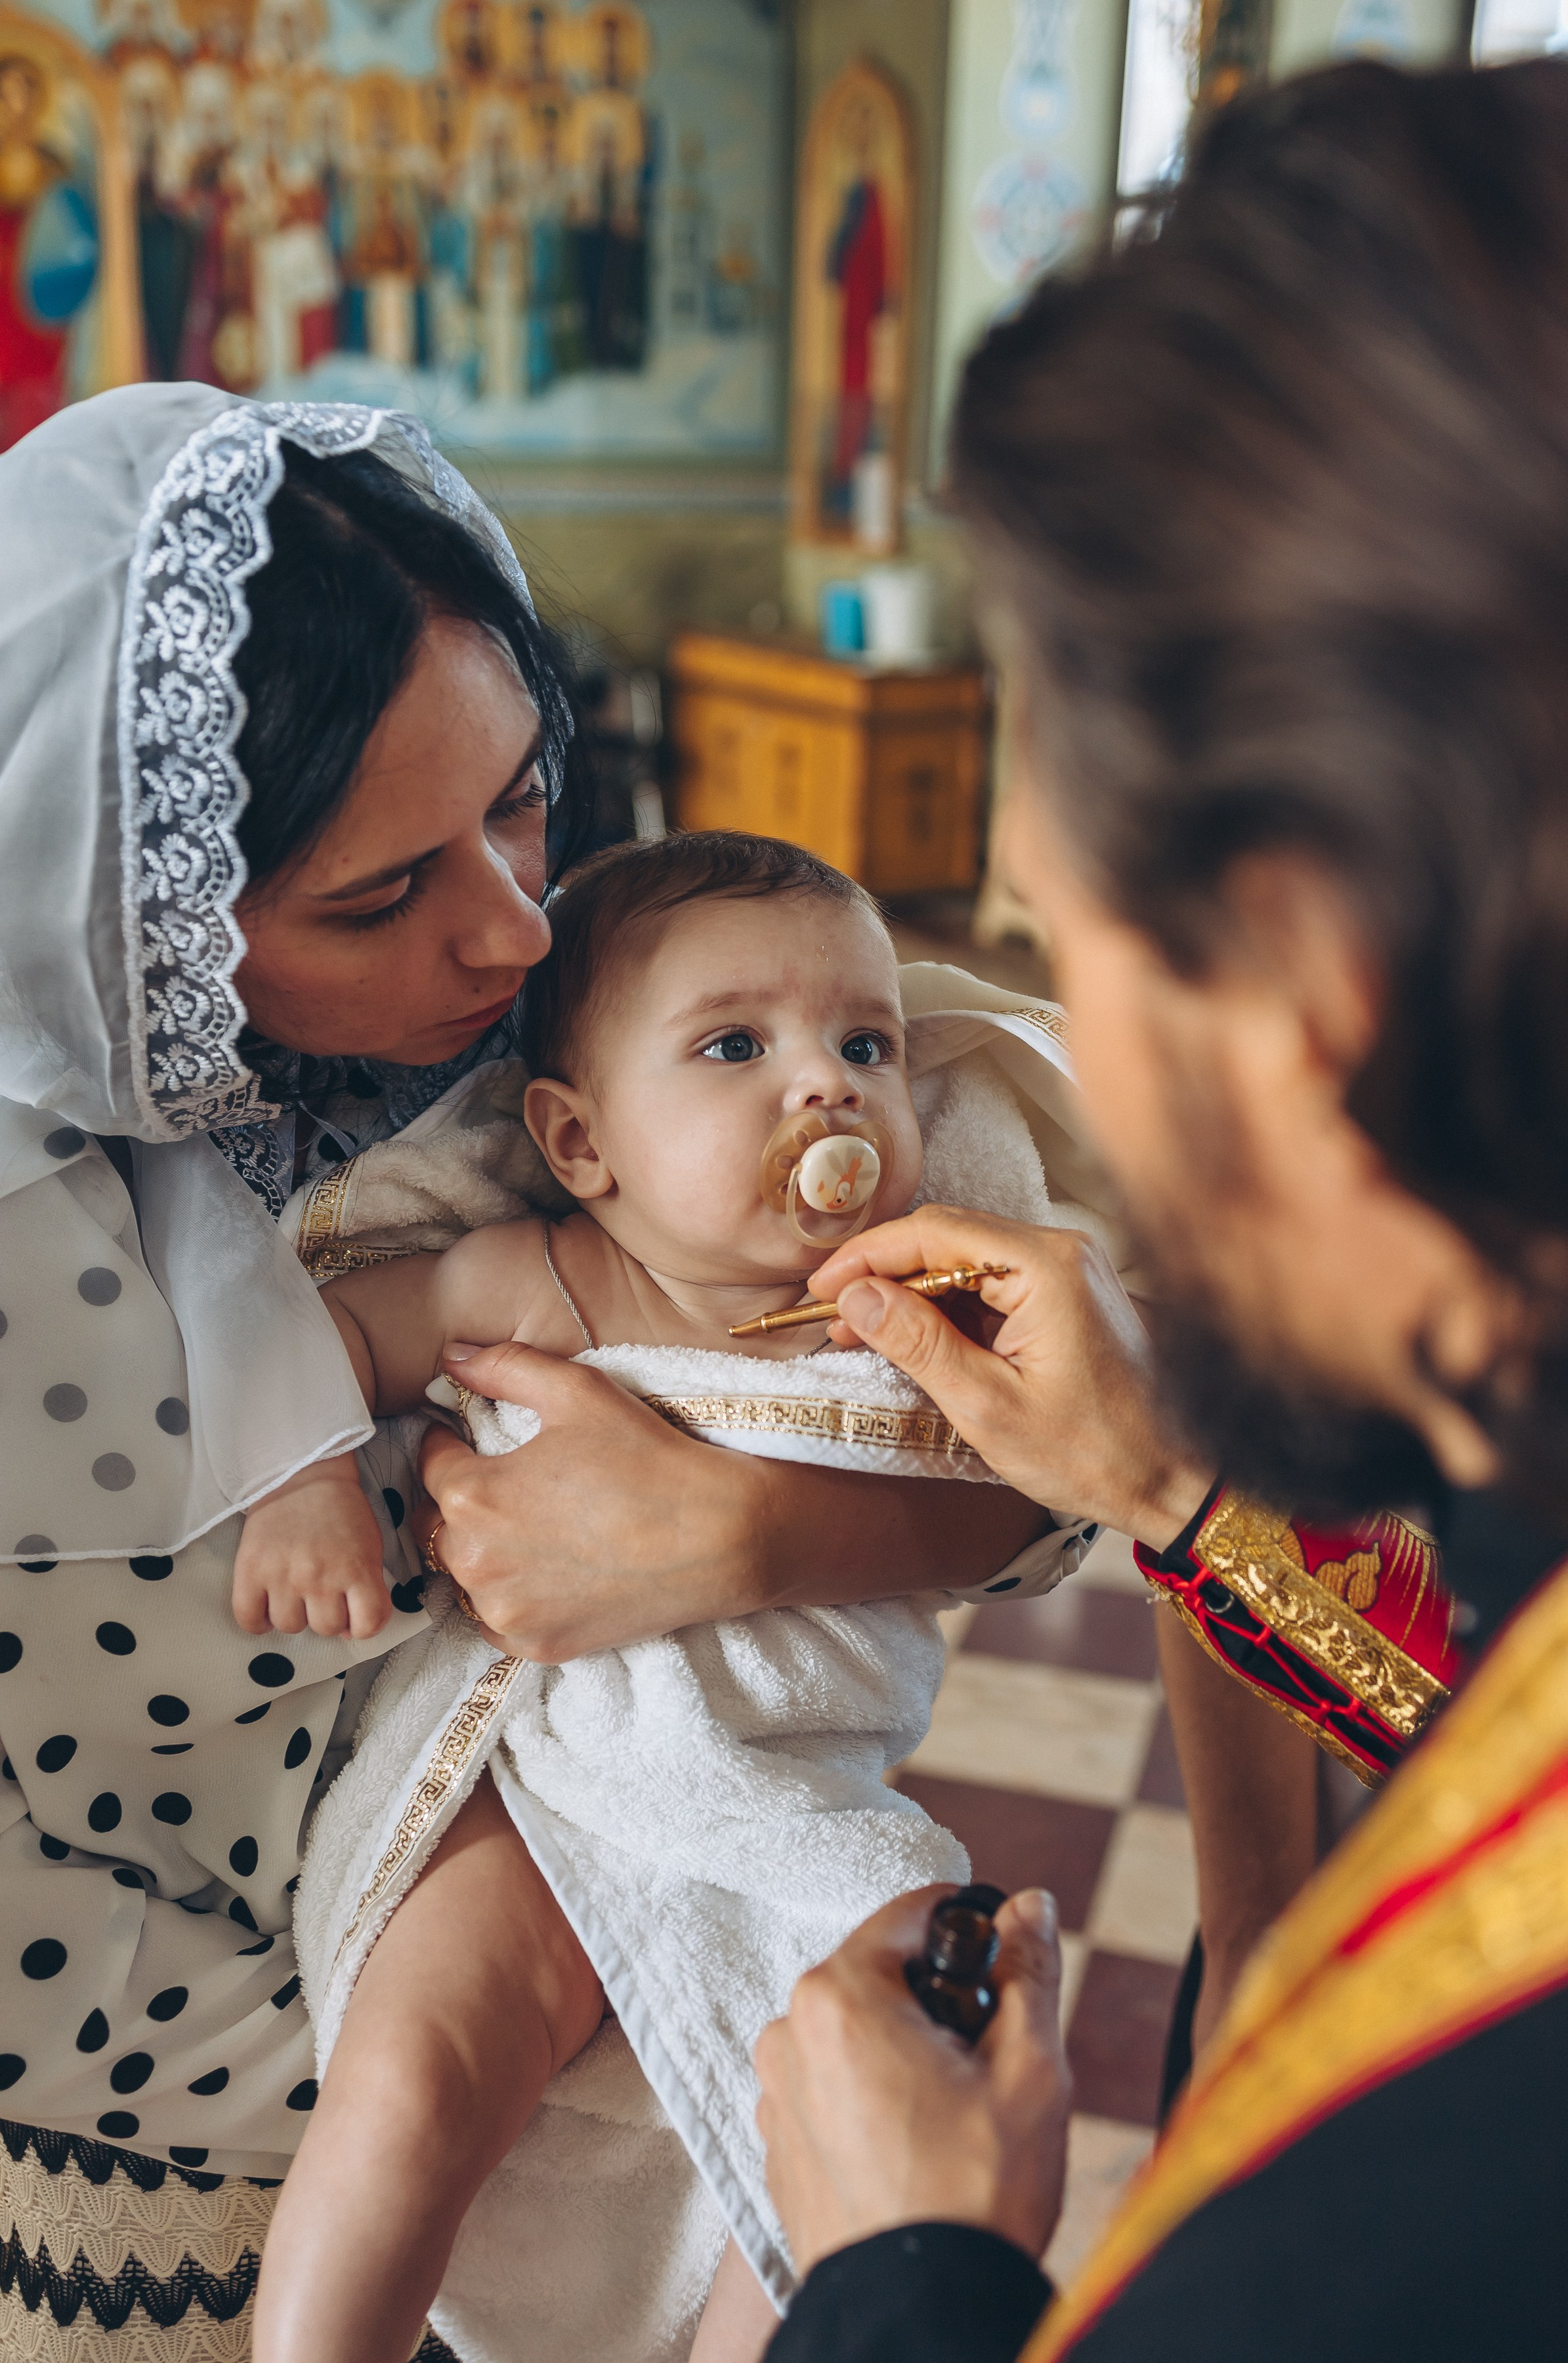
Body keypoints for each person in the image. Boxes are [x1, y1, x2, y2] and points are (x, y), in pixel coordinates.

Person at [0, 385, 1053, 2358]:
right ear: (129, 935)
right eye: (383, 894)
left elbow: (1084, 1482)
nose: (508, 925)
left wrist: (754, 1526)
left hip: (713, 1806)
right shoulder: (50, 1281)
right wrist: (426, 2051)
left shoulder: (585, 1021)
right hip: (190, 2109)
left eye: (518, 800)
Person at [750, 55, 1568, 2361]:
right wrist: (1166, 1484)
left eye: (1068, 946)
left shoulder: (1405, 2216)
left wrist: (905, 2278)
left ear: (1302, 987)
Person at [250, 830, 1101, 2363]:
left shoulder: (911, 1313)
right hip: (553, 1785)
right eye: (734, 1045)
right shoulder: (540, 1278)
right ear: (584, 1145)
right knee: (414, 2078)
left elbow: (1061, 1484)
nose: (826, 1085)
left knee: (903, 2045)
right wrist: (310, 1485)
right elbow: (310, 1346)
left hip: (792, 1802)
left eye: (866, 1043)